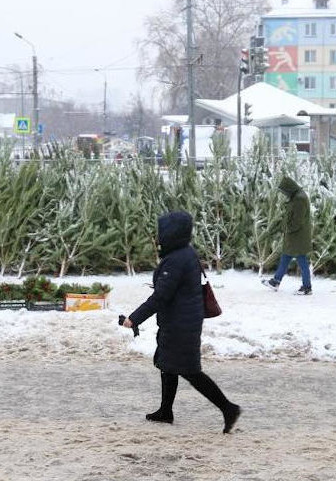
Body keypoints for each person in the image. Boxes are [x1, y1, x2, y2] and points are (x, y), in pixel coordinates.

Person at [121, 211, 241, 433]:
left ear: (171, 233)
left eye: (162, 232)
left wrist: (134, 318)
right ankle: (165, 411)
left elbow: (161, 296)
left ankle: (228, 408)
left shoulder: (176, 259)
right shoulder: (184, 253)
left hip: (180, 324)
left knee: (190, 371)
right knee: (167, 364)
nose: (159, 237)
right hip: (181, 320)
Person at [262, 176, 312, 295]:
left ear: (289, 189)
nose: (284, 194)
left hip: (298, 236)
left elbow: (297, 221)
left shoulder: (299, 199)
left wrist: (287, 229)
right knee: (285, 257)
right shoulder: (296, 196)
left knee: (302, 260)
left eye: (284, 191)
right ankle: (276, 281)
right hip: (294, 236)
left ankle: (307, 287)